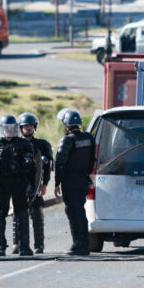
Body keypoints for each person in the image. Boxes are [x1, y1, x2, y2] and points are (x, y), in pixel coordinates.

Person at [0, 114, 38, 256]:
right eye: (6, 128)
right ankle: (0, 246)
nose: (8, 131)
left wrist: (31, 185)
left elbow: (33, 168)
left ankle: (24, 246)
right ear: (1, 129)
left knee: (22, 214)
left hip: (19, 183)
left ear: (16, 129)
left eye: (11, 128)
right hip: (1, 184)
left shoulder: (24, 144)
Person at [54, 108, 95, 256]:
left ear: (66, 125)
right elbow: (92, 160)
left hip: (70, 181)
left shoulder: (67, 140)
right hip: (83, 179)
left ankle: (79, 245)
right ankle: (85, 244)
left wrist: (57, 183)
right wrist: (87, 175)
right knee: (80, 211)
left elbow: (59, 163)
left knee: (73, 211)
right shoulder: (89, 138)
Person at [19, 112, 54, 254]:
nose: (28, 128)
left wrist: (45, 184)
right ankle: (18, 244)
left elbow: (46, 167)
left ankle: (39, 245)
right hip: (19, 185)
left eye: (31, 126)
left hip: (36, 184)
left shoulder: (42, 144)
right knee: (18, 216)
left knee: (37, 214)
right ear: (21, 128)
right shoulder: (15, 144)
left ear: (35, 127)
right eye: (25, 126)